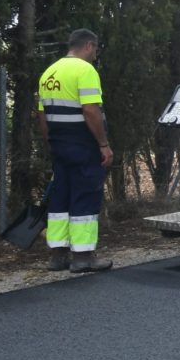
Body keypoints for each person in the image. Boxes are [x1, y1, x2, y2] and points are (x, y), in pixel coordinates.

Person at [37, 29, 114, 273]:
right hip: (83, 144)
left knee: (60, 198)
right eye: (96, 50)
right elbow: (90, 110)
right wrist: (103, 144)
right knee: (85, 195)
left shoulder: (49, 72)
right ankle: (83, 257)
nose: (95, 55)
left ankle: (58, 256)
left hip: (59, 145)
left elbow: (41, 115)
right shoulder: (85, 70)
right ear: (89, 46)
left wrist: (53, 141)